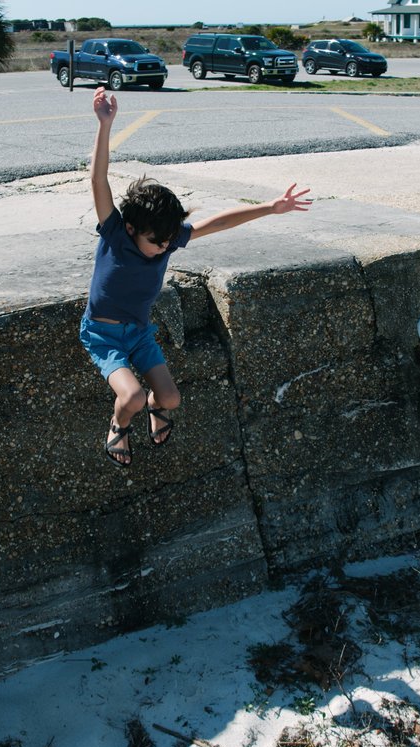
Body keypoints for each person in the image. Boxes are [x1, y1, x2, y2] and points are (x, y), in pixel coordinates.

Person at [80, 86, 312, 467]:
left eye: (169, 240)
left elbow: (216, 223)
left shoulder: (168, 240)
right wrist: (105, 125)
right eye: (156, 241)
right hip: (102, 334)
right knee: (132, 398)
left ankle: (158, 408)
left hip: (138, 333)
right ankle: (116, 427)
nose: (163, 248)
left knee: (169, 398)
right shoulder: (116, 233)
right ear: (133, 227)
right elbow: (98, 180)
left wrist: (270, 207)